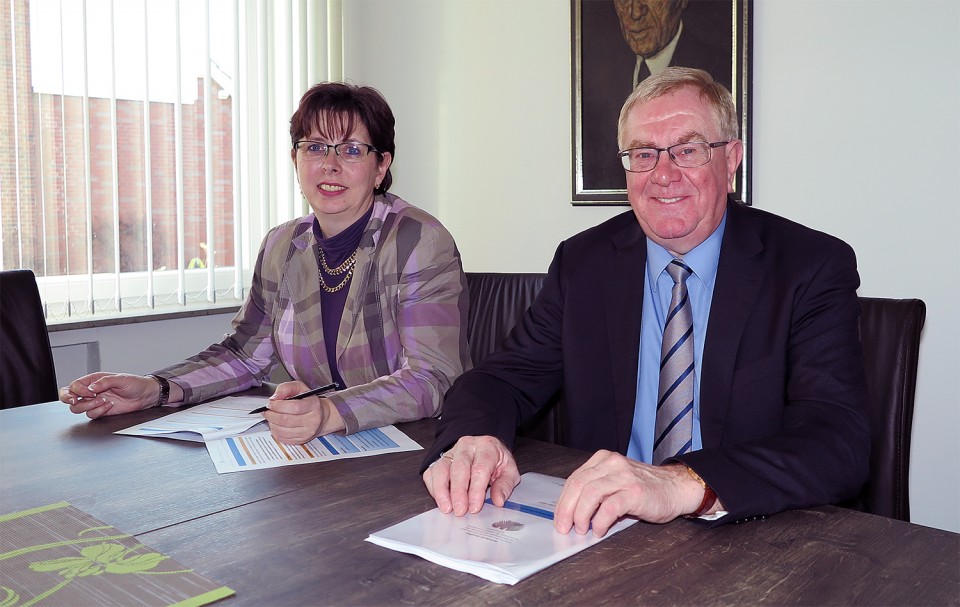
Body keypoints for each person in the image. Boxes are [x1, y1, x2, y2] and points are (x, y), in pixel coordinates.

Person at [422, 67, 870, 534]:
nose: (664, 175)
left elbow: (838, 441)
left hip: (750, 534)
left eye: (688, 150)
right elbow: (501, 379)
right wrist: (473, 438)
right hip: (602, 536)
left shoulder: (810, 265)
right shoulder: (584, 262)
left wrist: (681, 484)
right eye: (644, 154)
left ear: (732, 159)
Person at [61, 82, 470, 445]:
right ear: (296, 159)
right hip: (313, 451)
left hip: (411, 448)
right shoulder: (283, 244)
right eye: (314, 147)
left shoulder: (418, 240)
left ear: (381, 166)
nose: (329, 165)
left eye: (350, 150)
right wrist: (155, 388)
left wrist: (331, 412)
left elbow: (431, 378)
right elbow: (244, 355)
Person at [580, 0, 731, 192]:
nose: (635, 12)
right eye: (624, 0)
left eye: (687, 151)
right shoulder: (597, 76)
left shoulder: (721, 68)